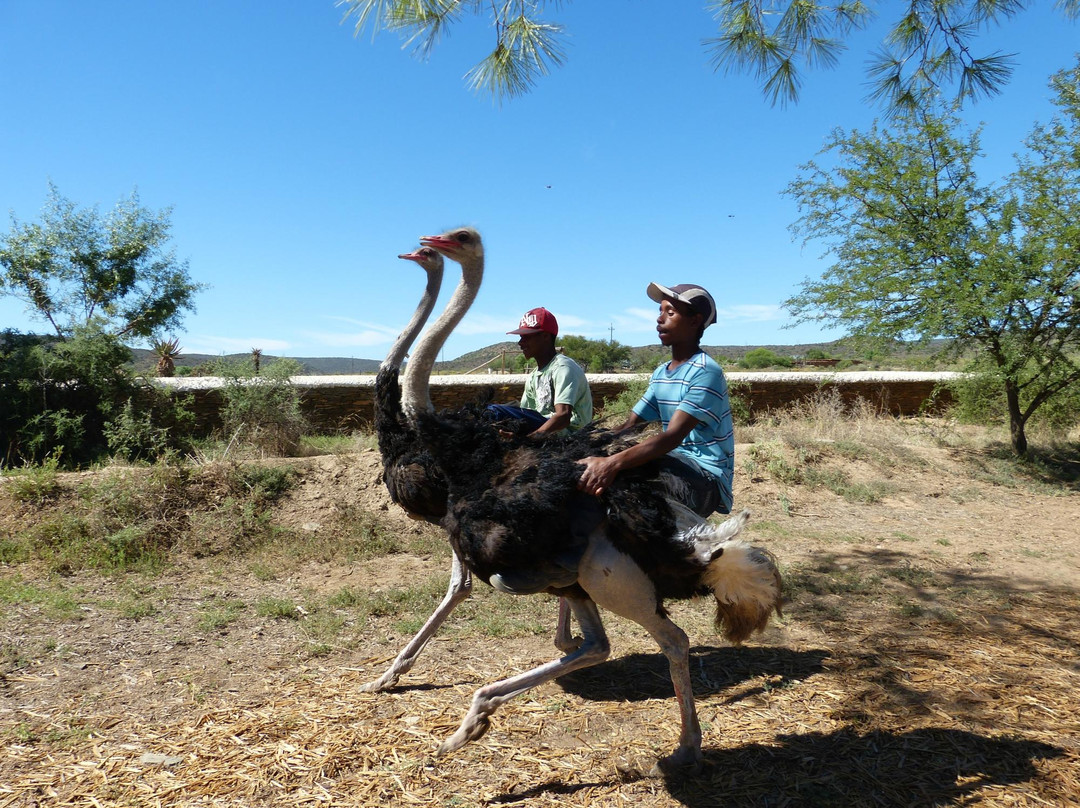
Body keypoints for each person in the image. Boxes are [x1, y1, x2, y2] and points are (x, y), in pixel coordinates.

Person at [577, 283, 733, 516]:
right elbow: (631, 425)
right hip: (676, 461)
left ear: (694, 321)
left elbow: (672, 437)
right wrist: (589, 447)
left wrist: (612, 463)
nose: (660, 319)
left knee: (625, 480)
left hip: (705, 478)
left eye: (670, 313)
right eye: (660, 312)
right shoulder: (662, 373)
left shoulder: (705, 371)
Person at [486, 307, 593, 436]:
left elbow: (563, 416)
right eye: (521, 337)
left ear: (545, 336)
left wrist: (528, 439)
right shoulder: (533, 376)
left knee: (494, 412)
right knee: (483, 412)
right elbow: (527, 413)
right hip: (541, 425)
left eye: (526, 337)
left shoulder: (563, 368)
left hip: (567, 432)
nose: (520, 343)